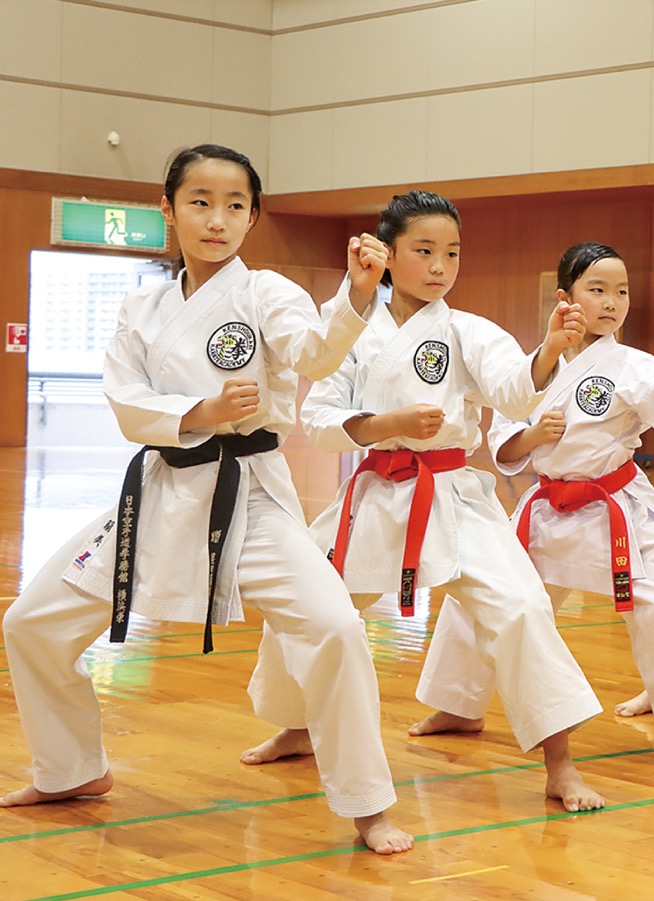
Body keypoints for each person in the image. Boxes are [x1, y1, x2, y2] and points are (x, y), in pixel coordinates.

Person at [0, 144, 412, 854]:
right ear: (168, 209)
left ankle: (368, 804)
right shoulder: (142, 304)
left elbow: (313, 351)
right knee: (32, 622)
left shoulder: (268, 294)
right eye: (199, 202)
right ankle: (71, 769)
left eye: (234, 205)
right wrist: (201, 408)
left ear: (253, 217)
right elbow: (128, 403)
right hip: (158, 495)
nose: (216, 219)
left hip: (248, 499)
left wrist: (357, 294)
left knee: (335, 628)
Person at [241, 190, 607, 812]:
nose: (441, 267)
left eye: (452, 253)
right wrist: (389, 423)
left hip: (454, 495)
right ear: (387, 256)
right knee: (306, 606)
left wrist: (546, 351)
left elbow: (515, 394)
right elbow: (320, 418)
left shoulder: (469, 330)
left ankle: (560, 762)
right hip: (375, 494)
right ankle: (299, 724)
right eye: (425, 251)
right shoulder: (351, 331)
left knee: (521, 608)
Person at [472, 241, 654, 771]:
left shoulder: (635, 365)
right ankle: (457, 703)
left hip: (616, 506)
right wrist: (532, 436)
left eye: (621, 291)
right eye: (598, 290)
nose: (612, 302)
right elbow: (502, 438)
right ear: (565, 297)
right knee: (489, 597)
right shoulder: (533, 365)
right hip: (547, 508)